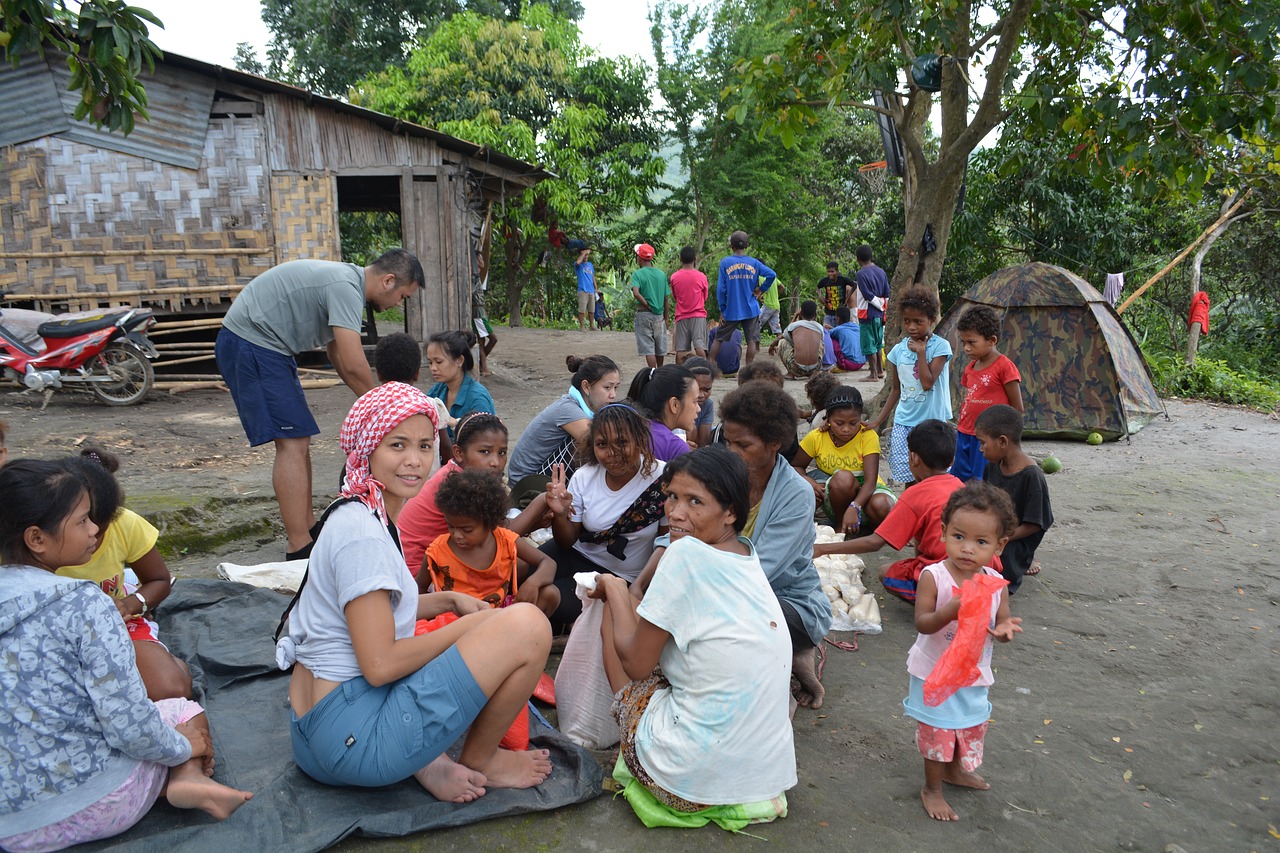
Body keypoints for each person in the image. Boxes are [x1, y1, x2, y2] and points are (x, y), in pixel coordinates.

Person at [279, 383, 554, 798]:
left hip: (316, 732)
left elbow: (373, 612)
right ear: (367, 448)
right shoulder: (364, 538)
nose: (414, 461)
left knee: (445, 631)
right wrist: (476, 624)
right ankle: (482, 759)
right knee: (529, 625)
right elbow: (380, 664)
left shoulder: (357, 508)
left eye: (425, 446)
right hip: (353, 741)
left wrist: (448, 600)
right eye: (397, 445)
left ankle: (426, 761)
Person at [0, 460, 252, 851]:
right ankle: (186, 776)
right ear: (36, 538)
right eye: (83, 521)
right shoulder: (85, 603)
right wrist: (184, 746)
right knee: (178, 709)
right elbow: (128, 727)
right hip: (92, 807)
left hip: (9, 826)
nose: (95, 529)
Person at [592, 446, 795, 821]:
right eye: (671, 496)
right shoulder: (746, 556)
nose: (676, 513)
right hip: (763, 778)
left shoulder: (683, 557)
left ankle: (627, 738)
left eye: (695, 501)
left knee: (615, 615)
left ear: (731, 512)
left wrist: (616, 590)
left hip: (684, 784)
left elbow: (636, 664)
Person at [216, 249, 424, 560]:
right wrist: (387, 408)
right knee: (292, 442)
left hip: (268, 348)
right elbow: (354, 364)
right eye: (402, 296)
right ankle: (299, 546)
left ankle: (308, 528)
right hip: (254, 344)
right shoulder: (346, 287)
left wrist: (372, 404)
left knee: (299, 438)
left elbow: (336, 355)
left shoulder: (346, 283)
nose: (398, 304)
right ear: (388, 281)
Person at [905, 481, 1022, 822]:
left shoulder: (994, 584)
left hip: (972, 675)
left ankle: (955, 771)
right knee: (937, 732)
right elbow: (923, 623)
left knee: (967, 727)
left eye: (981, 542)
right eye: (959, 537)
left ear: (999, 545)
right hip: (933, 672)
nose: (967, 548)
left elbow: (999, 624)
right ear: (943, 533)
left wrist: (1003, 632)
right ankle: (932, 789)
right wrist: (949, 610)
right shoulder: (934, 577)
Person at [55, 447, 193, 701]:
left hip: (116, 623)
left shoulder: (124, 524)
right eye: (81, 523)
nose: (92, 534)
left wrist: (132, 604)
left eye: (100, 528)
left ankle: (163, 659)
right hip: (55, 633)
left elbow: (159, 579)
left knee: (172, 689)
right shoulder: (30, 546)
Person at [539, 405, 668, 626]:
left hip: (618, 576)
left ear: (638, 440)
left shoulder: (662, 479)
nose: (612, 453)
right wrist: (560, 515)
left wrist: (641, 588)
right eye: (602, 445)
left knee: (547, 597)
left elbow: (667, 543)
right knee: (517, 570)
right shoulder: (584, 476)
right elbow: (567, 540)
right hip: (575, 554)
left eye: (622, 442)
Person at [815, 420, 963, 603]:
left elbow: (875, 543)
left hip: (945, 576)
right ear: (952, 459)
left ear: (914, 458)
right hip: (974, 571)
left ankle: (936, 597)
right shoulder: (961, 487)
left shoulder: (914, 494)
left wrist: (822, 549)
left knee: (885, 573)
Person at [424, 469, 559, 616]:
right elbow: (418, 591)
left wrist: (533, 583)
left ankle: (523, 636)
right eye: (451, 526)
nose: (456, 535)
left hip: (496, 615)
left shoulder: (505, 540)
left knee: (550, 593)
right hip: (457, 624)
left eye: (466, 530)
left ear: (490, 523)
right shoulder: (438, 551)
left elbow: (548, 563)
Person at [399, 412, 510, 577]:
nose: (495, 462)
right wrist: (541, 503)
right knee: (514, 562)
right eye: (485, 452)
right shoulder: (461, 485)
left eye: (502, 453)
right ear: (458, 453)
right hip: (418, 573)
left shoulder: (456, 471)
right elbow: (501, 536)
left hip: (420, 563)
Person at [868, 285, 953, 486]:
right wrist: (878, 421)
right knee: (910, 476)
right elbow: (896, 390)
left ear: (931, 320)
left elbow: (927, 383)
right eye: (907, 321)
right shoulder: (898, 350)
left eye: (918, 321)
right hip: (904, 422)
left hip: (932, 422)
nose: (912, 327)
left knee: (934, 475)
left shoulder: (941, 347)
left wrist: (921, 352)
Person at [508, 355, 622, 499]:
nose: (613, 395)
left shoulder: (581, 408)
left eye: (616, 388)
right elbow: (604, 443)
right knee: (593, 441)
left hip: (539, 475)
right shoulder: (567, 409)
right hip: (525, 486)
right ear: (586, 386)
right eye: (607, 388)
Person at [791, 386, 897, 536]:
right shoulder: (816, 437)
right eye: (839, 423)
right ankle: (841, 525)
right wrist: (808, 480)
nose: (846, 429)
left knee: (883, 506)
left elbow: (870, 482)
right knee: (842, 478)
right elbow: (796, 466)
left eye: (853, 423)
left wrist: (855, 506)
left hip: (866, 496)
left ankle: (871, 528)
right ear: (828, 418)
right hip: (835, 499)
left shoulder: (867, 436)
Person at [976, 405, 1053, 592]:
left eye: (983, 443)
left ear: (1002, 441)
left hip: (1013, 542)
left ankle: (1023, 563)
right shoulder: (992, 466)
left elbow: (1036, 524)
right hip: (991, 534)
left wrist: (1002, 538)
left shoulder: (1032, 476)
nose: (980, 449)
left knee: (991, 571)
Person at [952, 306, 1024, 482]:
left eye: (971, 342)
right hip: (964, 432)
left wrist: (1007, 440)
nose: (966, 348)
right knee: (958, 479)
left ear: (991, 340)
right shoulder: (970, 367)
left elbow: (1017, 409)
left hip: (987, 438)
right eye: (963, 342)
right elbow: (968, 399)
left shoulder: (1004, 367)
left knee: (982, 480)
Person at [711, 231, 776, 367]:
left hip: (732, 309)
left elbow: (721, 289)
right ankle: (749, 369)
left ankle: (710, 366)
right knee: (751, 341)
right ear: (746, 246)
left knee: (719, 338)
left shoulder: (726, 262)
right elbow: (771, 274)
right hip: (751, 309)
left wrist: (722, 308)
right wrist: (761, 289)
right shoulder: (754, 263)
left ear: (731, 246)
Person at [426, 330, 496, 443]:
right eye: (430, 362)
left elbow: (485, 440)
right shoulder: (438, 390)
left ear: (459, 361)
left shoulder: (477, 397)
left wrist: (452, 422)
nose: (433, 368)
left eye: (438, 362)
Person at [626, 365, 698, 462]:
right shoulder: (674, 447)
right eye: (695, 401)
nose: (698, 409)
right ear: (674, 405)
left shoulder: (628, 428)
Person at [631, 243, 670, 368]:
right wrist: (666, 317)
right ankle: (660, 371)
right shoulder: (661, 275)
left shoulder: (637, 274)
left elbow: (636, 293)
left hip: (643, 314)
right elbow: (666, 298)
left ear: (639, 258)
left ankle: (653, 372)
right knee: (660, 346)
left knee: (649, 347)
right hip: (659, 315)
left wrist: (647, 304)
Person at [855, 244, 891, 381]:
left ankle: (873, 374)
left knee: (868, 343)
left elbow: (866, 295)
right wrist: (882, 306)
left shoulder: (861, 273)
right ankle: (880, 371)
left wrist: (878, 304)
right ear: (871, 257)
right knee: (877, 342)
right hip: (880, 313)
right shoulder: (881, 272)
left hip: (867, 313)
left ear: (858, 259)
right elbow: (887, 292)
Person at [669, 246, 708, 362]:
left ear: (680, 259)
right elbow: (704, 296)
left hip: (682, 316)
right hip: (698, 315)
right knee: (699, 346)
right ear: (695, 259)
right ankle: (704, 369)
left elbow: (675, 296)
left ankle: (679, 374)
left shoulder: (674, 277)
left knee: (680, 349)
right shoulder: (701, 277)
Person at [769, 299, 826, 378]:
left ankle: (790, 373)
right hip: (815, 368)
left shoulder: (794, 326)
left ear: (800, 313)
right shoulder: (820, 328)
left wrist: (772, 346)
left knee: (782, 341)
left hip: (796, 369)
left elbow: (782, 336)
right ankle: (813, 373)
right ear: (815, 314)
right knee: (820, 343)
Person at [684, 357, 719, 448]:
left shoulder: (707, 404)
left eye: (706, 389)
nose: (701, 395)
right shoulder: (676, 403)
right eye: (697, 389)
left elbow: (704, 443)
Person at [829, 306, 865, 372]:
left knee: (832, 340)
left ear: (838, 318)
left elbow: (826, 335)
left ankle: (829, 363)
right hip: (862, 362)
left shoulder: (838, 330)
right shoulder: (857, 327)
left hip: (849, 364)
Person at [819, 262, 855, 328]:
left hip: (840, 315)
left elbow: (854, 285)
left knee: (839, 333)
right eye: (828, 272)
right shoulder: (825, 281)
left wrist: (848, 297)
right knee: (826, 331)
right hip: (829, 313)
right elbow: (818, 287)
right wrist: (820, 296)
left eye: (832, 271)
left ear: (837, 272)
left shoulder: (843, 280)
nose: (830, 274)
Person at [575, 248, 597, 332]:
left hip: (591, 290)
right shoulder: (578, 265)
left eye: (587, 255)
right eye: (583, 255)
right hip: (582, 290)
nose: (585, 256)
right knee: (582, 309)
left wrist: (596, 287)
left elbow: (592, 276)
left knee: (591, 309)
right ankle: (582, 326)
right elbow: (577, 262)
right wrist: (584, 253)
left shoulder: (590, 264)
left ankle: (592, 325)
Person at [758, 272, 785, 336]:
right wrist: (776, 296)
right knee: (777, 329)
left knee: (756, 325)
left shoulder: (758, 278)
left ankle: (756, 345)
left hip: (768, 305)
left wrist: (759, 297)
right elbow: (782, 287)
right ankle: (781, 344)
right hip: (776, 305)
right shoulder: (772, 277)